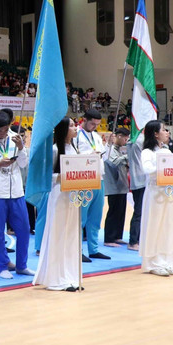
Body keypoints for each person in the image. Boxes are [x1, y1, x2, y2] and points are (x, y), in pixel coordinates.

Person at [0, 111, 33, 278]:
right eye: (0, 130)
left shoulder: (14, 138)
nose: (4, 133)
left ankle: (22, 265)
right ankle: (2, 266)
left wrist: (21, 147)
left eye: (6, 129)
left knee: (24, 229)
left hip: (16, 192)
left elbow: (24, 164)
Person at [33, 117, 82, 291]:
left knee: (71, 234)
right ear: (62, 130)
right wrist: (62, 177)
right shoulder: (54, 150)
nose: (75, 128)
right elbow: (46, 177)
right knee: (59, 233)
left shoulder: (75, 149)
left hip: (74, 197)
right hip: (59, 195)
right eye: (71, 126)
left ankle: (70, 275)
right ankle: (56, 278)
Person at [137, 121, 173, 276]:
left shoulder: (166, 151)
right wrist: (164, 167)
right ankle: (153, 262)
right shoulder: (147, 152)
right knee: (154, 225)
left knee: (167, 226)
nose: (167, 132)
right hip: (155, 192)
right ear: (155, 133)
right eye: (164, 130)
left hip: (168, 192)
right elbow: (147, 169)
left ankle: (166, 260)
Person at [74, 109, 109, 261]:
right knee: (81, 217)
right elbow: (72, 157)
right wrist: (90, 157)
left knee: (96, 216)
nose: (94, 126)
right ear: (84, 119)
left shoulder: (96, 136)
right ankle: (77, 250)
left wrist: (108, 147)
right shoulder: (75, 135)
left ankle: (93, 249)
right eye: (92, 123)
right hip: (83, 179)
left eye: (97, 124)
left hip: (99, 178)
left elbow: (103, 158)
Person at [103, 128, 130, 247]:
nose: (126, 140)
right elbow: (113, 162)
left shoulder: (119, 150)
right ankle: (109, 238)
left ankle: (117, 236)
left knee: (121, 212)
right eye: (125, 138)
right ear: (119, 136)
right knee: (113, 212)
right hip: (113, 185)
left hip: (122, 185)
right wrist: (126, 157)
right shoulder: (110, 150)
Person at [126, 132, 147, 251]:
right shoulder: (137, 141)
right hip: (140, 181)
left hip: (143, 181)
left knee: (143, 212)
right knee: (139, 212)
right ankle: (133, 241)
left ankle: (139, 239)